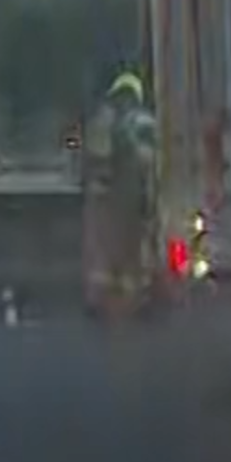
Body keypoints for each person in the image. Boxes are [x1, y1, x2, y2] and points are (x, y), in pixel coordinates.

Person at [82, 70, 161, 316]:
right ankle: (133, 296)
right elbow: (149, 159)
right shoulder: (142, 121)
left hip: (111, 196)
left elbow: (97, 157)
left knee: (107, 248)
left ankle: (107, 297)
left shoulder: (104, 120)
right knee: (132, 246)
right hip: (130, 193)